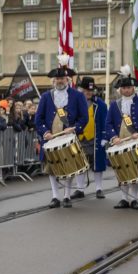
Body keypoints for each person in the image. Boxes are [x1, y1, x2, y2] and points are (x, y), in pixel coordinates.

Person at [34, 60, 88, 208]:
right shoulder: (46, 97)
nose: (59, 81)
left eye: (62, 79)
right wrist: (45, 132)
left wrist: (75, 128)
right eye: (57, 79)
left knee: (69, 167)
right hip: (50, 138)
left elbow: (84, 117)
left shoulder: (78, 96)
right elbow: (38, 119)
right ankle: (55, 196)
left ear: (68, 80)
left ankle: (67, 195)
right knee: (52, 168)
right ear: (54, 80)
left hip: (69, 137)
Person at [106, 69, 138, 210]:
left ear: (133, 88)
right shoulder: (114, 105)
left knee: (136, 171)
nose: (126, 90)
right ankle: (124, 198)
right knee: (121, 170)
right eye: (124, 88)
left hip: (136, 142)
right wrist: (113, 137)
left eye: (128, 88)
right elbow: (108, 123)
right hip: (119, 143)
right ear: (120, 89)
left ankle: (134, 199)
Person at [74, 76, 109, 200]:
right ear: (81, 90)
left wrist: (105, 137)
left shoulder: (101, 104)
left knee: (97, 164)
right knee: (80, 164)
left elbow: (105, 122)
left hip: (96, 138)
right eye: (85, 90)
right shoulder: (76, 103)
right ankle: (79, 189)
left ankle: (99, 188)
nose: (88, 93)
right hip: (80, 138)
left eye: (90, 90)